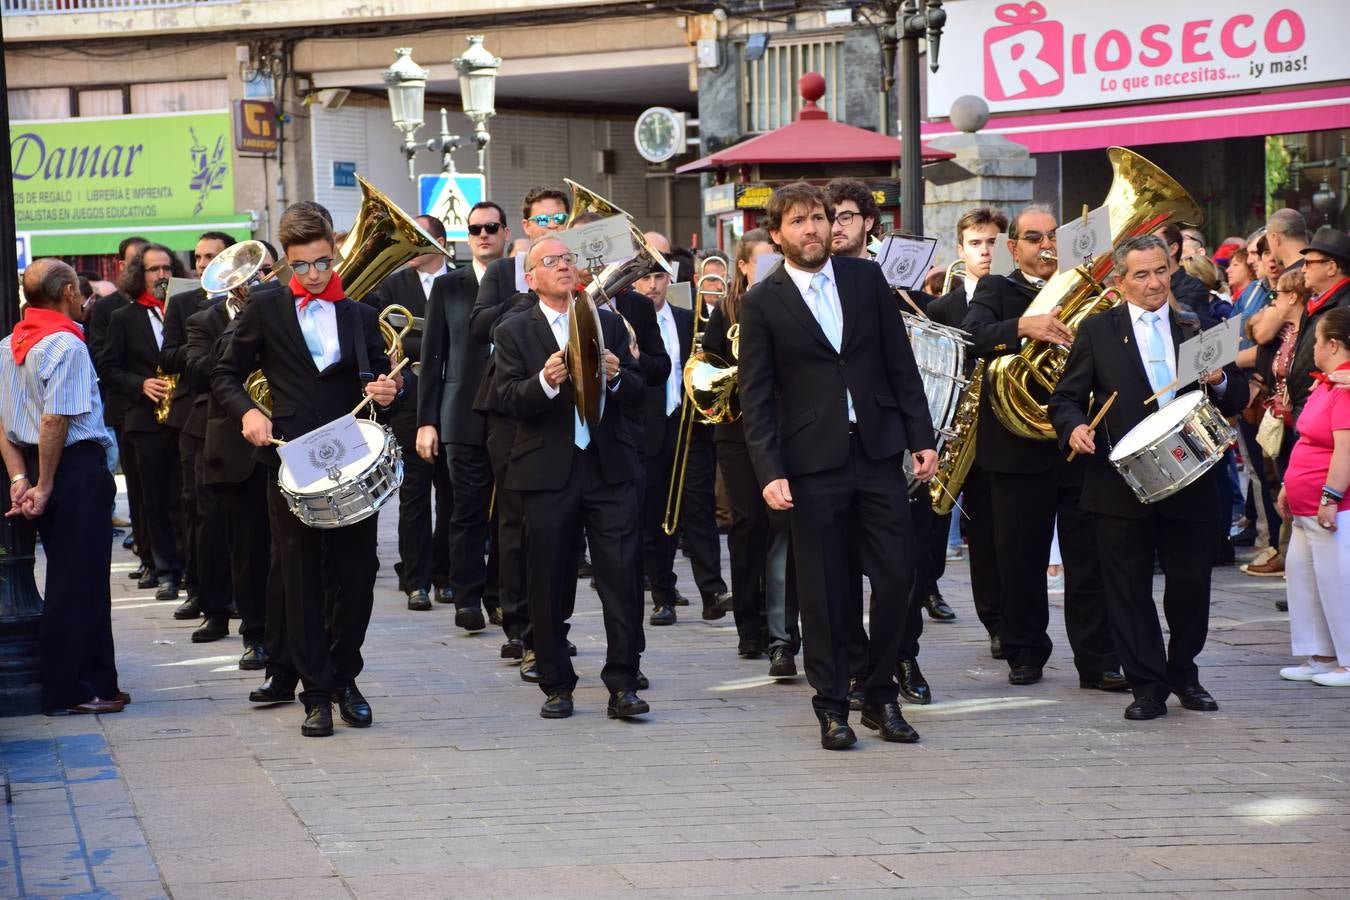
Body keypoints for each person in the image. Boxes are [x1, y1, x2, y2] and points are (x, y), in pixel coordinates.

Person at [738, 182, 937, 750]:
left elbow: (900, 364)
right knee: (825, 591)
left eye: (819, 218)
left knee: (900, 576)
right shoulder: (762, 301)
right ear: (777, 235)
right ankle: (832, 705)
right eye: (798, 221)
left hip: (876, 451)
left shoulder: (865, 279)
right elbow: (756, 396)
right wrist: (769, 470)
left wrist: (920, 438)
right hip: (809, 462)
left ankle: (878, 692)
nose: (812, 229)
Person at [211, 203, 398, 738]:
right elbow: (225, 374)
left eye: (321, 262)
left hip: (350, 457)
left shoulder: (362, 313)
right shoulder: (265, 307)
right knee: (299, 578)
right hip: (289, 456)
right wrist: (248, 411)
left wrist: (389, 389)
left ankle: (345, 678)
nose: (314, 275)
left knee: (357, 575)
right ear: (287, 262)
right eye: (302, 265)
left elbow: (383, 385)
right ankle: (315, 693)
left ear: (334, 251)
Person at [1050, 234, 1248, 720]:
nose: (1154, 282)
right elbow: (1065, 398)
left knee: (1189, 585)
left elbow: (1237, 396)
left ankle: (1184, 672)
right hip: (1120, 483)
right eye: (1141, 274)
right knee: (1127, 588)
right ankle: (1147, 686)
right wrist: (1074, 428)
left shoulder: (1195, 325)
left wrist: (1220, 379)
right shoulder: (1098, 330)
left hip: (1193, 479)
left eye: (1161, 271)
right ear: (1120, 282)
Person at [963, 205, 1123, 691]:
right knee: (1020, 560)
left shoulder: (1090, 290)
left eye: (1054, 236)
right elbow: (968, 336)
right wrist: (1021, 328)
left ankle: (1097, 660)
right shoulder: (997, 289)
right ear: (1014, 248)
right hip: (1017, 449)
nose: (1046, 245)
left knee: (1089, 558)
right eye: (1034, 238)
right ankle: (1025, 652)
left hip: (1079, 445)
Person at [490, 237, 649, 720]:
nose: (563, 266)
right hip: (547, 470)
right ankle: (557, 683)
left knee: (621, 577)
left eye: (568, 259)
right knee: (549, 579)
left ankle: (623, 683)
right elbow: (506, 398)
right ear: (531, 277)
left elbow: (641, 391)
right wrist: (545, 381)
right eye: (550, 261)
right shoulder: (515, 329)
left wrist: (618, 377)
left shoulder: (607, 323)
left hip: (608, 469)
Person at [0, 259, 123, 715]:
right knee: (79, 581)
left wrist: (21, 477)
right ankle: (76, 688)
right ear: (69, 291)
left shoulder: (10, 343)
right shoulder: (65, 345)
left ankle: (99, 680)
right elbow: (56, 419)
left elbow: (6, 423)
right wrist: (46, 485)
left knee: (78, 577)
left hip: (40, 465)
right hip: (71, 469)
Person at [706, 229, 800, 676]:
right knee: (748, 526)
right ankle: (749, 625)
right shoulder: (726, 312)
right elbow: (708, 366)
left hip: (784, 428)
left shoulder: (788, 304)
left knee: (783, 525)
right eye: (759, 262)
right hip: (737, 430)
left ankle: (780, 624)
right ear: (743, 267)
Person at [182, 241, 278, 664]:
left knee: (289, 552)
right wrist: (243, 324)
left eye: (265, 270)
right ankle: (254, 636)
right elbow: (202, 374)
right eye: (247, 274)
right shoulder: (205, 320)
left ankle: (289, 636)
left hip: (285, 442)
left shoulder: (289, 308)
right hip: (234, 449)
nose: (256, 279)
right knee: (247, 550)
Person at [418, 202, 506, 637]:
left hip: (512, 415)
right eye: (474, 229)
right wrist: (426, 421)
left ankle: (501, 597)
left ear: (505, 232)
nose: (483, 235)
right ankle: (467, 597)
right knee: (467, 510)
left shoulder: (520, 281)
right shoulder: (448, 286)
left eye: (491, 227)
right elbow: (432, 356)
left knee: (508, 515)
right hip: (460, 417)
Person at [635, 232, 729, 626]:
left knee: (699, 510)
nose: (654, 286)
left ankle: (713, 591)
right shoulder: (627, 322)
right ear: (634, 283)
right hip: (649, 429)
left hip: (690, 427)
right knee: (656, 513)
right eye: (646, 278)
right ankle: (663, 593)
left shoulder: (689, 320)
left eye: (660, 277)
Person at [928, 207, 1008, 659]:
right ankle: (993, 621)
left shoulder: (1019, 296)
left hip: (1010, 427)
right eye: (976, 244)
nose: (985, 251)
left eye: (993, 242)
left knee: (1007, 532)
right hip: (964, 431)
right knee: (978, 533)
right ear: (961, 251)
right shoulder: (944, 307)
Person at [370, 215, 458, 617]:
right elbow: (380, 342)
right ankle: (416, 580)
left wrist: (420, 344)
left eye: (416, 241)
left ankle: (446, 575)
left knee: (455, 493)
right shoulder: (390, 287)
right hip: (410, 400)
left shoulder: (462, 282)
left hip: (455, 398)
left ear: (438, 244)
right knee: (415, 493)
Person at [102, 243, 188, 602]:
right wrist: (140, 384)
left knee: (184, 498)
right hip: (145, 419)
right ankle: (165, 569)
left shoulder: (185, 310)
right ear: (141, 274)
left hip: (182, 418)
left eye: (167, 268)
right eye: (153, 270)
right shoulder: (125, 317)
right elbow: (107, 368)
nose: (161, 276)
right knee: (153, 498)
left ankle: (192, 568)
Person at [161, 230, 237, 621]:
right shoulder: (185, 303)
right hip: (197, 414)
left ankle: (239, 592)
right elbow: (171, 356)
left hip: (242, 414)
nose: (204, 264)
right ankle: (201, 591)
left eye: (213, 257)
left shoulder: (252, 299)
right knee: (198, 511)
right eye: (201, 257)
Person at [1277, 306, 1350, 686]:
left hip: (1331, 505)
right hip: (1306, 502)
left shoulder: (1346, 389)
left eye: (1317, 341)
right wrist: (1290, 486)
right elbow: (1306, 437)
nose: (1312, 348)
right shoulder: (1326, 383)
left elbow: (1345, 450)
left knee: (1338, 581)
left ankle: (1349, 659)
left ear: (1333, 344)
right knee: (1304, 579)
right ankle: (1320, 653)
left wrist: (1330, 495)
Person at [88, 235, 154, 578]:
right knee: (141, 491)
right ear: (122, 267)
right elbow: (102, 360)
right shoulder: (107, 308)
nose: (148, 273)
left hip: (166, 410)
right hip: (129, 408)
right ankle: (147, 554)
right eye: (137, 265)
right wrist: (138, 383)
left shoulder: (170, 301)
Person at [1286, 227, 1350, 425]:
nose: (1303, 269)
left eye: (1308, 263)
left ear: (1331, 267)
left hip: (1329, 413)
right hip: (1308, 408)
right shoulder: (1316, 302)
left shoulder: (1346, 304)